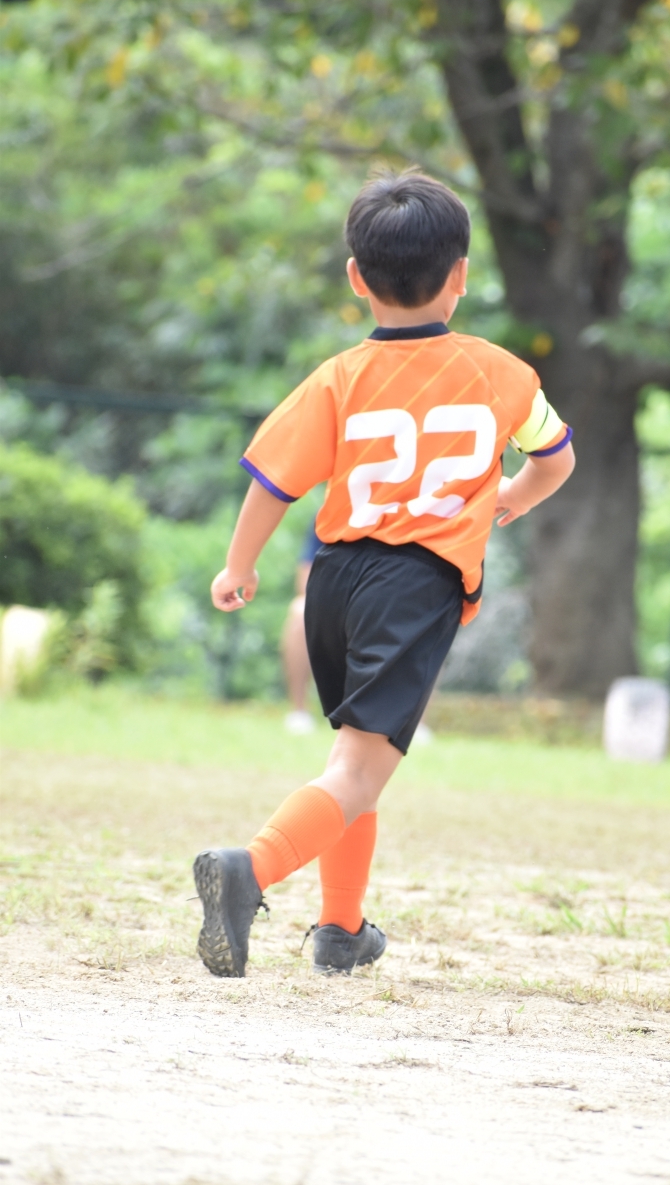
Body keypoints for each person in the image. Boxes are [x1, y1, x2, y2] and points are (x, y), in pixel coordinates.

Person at [194, 171, 575, 978]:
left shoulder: (338, 377)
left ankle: (341, 928)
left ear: (355, 277)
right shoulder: (502, 373)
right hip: (414, 586)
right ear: (462, 275)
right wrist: (508, 497)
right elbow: (556, 459)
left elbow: (273, 481)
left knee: (356, 760)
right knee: (360, 768)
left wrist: (239, 564)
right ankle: (249, 870)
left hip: (334, 581)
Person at [281, 520, 323, 735]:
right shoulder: (326, 514)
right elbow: (304, 578)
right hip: (335, 600)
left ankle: (416, 725)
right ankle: (299, 712)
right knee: (300, 611)